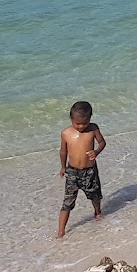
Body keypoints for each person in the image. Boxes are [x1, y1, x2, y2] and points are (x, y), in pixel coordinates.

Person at [57, 100, 106, 239]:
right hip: (72, 171)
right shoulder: (66, 133)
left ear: (90, 119)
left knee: (94, 195)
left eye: (84, 123)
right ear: (70, 119)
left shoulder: (93, 129)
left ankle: (97, 212)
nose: (81, 126)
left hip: (89, 171)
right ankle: (61, 231)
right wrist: (62, 166)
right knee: (67, 202)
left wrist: (96, 152)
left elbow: (102, 142)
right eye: (77, 123)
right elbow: (63, 152)